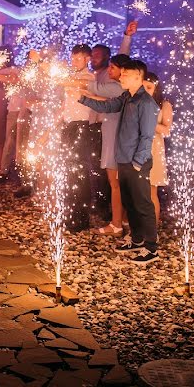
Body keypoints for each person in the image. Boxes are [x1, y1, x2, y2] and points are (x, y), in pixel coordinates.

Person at [78, 59, 160, 265]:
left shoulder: (146, 103)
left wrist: (138, 163)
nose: (120, 77)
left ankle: (151, 248)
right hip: (123, 159)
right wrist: (81, 98)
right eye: (121, 73)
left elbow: (147, 136)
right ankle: (136, 239)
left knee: (143, 204)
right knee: (131, 203)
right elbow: (107, 106)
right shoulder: (126, 97)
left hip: (135, 163)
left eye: (125, 74)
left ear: (137, 76)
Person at [60, 44, 95, 232]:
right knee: (69, 170)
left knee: (79, 172)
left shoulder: (89, 77)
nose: (73, 61)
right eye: (72, 58)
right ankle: (71, 211)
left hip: (81, 126)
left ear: (87, 59)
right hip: (69, 125)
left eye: (78, 58)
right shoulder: (71, 77)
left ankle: (81, 217)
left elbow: (80, 85)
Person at [144, 72, 172, 226]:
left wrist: (149, 123)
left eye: (149, 87)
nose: (145, 90)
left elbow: (167, 130)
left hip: (154, 149)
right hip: (136, 149)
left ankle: (151, 231)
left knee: (151, 191)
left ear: (156, 88)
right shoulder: (135, 103)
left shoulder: (164, 104)